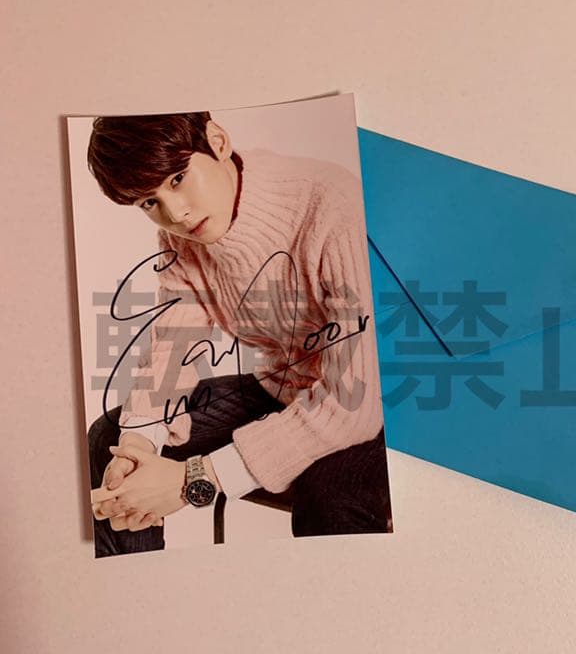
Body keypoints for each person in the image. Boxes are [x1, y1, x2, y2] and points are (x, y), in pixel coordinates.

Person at [86, 111, 392, 557]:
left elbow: (355, 403)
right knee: (109, 438)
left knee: (329, 493)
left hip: (384, 407)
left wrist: (194, 480)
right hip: (287, 389)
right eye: (149, 203)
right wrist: (137, 449)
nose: (176, 213)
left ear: (217, 140)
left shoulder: (330, 202)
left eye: (178, 179)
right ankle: (138, 591)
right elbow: (171, 351)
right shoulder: (181, 238)